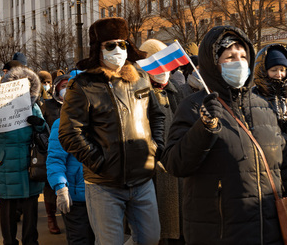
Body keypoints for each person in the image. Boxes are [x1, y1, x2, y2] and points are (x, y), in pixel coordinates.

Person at [163, 25, 287, 244]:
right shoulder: (194, 107)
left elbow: (283, 171)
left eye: (243, 56)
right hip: (221, 234)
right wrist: (204, 128)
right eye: (230, 57)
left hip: (269, 232)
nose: (239, 63)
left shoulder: (263, 107)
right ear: (214, 63)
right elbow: (174, 163)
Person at [59, 17, 165, 245]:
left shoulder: (141, 79)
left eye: (122, 44)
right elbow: (70, 133)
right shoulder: (83, 85)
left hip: (142, 179)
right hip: (104, 184)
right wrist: (99, 161)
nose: (117, 49)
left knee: (151, 238)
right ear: (98, 49)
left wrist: (155, 147)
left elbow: (157, 116)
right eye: (110, 45)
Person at [0, 65, 46, 245]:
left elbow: (45, 133)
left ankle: (31, 242)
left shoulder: (33, 107)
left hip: (29, 163)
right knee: (7, 211)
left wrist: (38, 124)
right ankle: (9, 242)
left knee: (31, 209)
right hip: (4, 164)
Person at [139, 39, 186, 244]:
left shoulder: (178, 91)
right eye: (155, 64)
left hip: (178, 167)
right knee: (158, 227)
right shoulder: (138, 93)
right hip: (152, 170)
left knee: (180, 223)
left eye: (165, 64)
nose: (163, 70)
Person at [252, 45, 287, 185]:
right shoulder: (254, 97)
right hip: (267, 167)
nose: (279, 74)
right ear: (264, 71)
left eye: (282, 70)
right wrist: (280, 141)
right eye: (273, 70)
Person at [47, 92, 95, 244]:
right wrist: (61, 188)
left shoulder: (102, 123)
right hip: (76, 199)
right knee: (79, 240)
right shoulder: (62, 124)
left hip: (102, 195)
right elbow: (55, 160)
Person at [41, 73, 71, 235]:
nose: (66, 90)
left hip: (72, 152)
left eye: (69, 86)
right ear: (57, 88)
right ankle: (51, 216)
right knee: (50, 185)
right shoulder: (48, 105)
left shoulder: (76, 104)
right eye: (63, 87)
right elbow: (42, 128)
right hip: (52, 149)